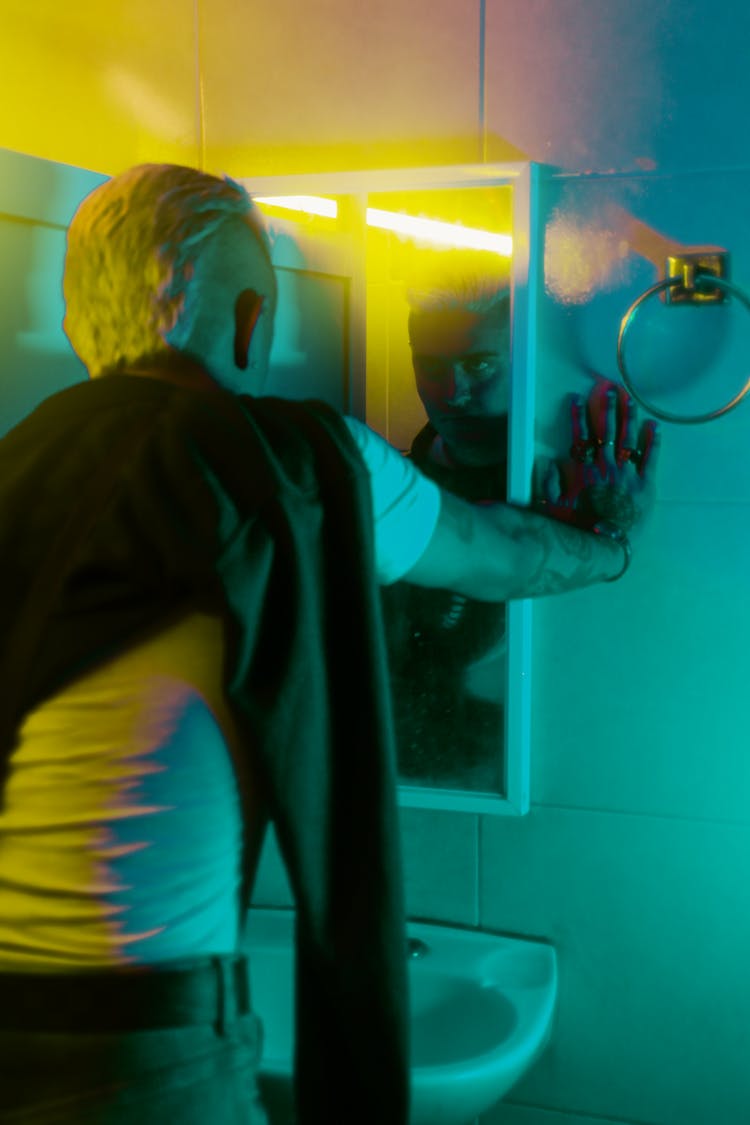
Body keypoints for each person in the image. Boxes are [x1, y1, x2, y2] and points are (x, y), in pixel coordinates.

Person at [0, 164, 657, 1125]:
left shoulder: (15, 471)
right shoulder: (297, 468)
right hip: (147, 1059)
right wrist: (612, 547)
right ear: (252, 317)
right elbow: (500, 555)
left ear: (77, 321)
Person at [381, 266, 513, 789]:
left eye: (480, 364)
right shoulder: (393, 489)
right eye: (430, 366)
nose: (453, 391)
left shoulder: (546, 493)